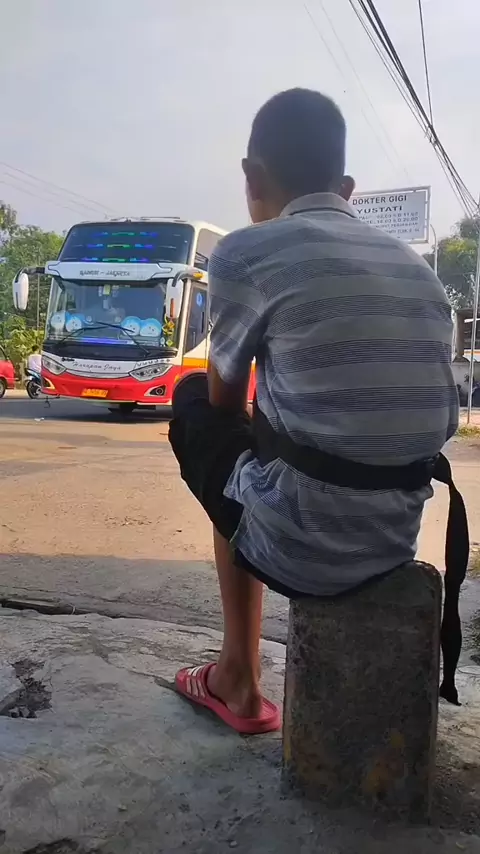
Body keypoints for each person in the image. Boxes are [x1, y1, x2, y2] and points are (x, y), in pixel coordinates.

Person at [169, 88, 461, 734]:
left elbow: (223, 405)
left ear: (251, 178)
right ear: (347, 189)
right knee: (258, 443)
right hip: (393, 538)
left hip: (305, 548)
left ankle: (238, 677)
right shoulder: (417, 270)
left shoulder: (247, 251)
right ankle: (239, 671)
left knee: (197, 406)